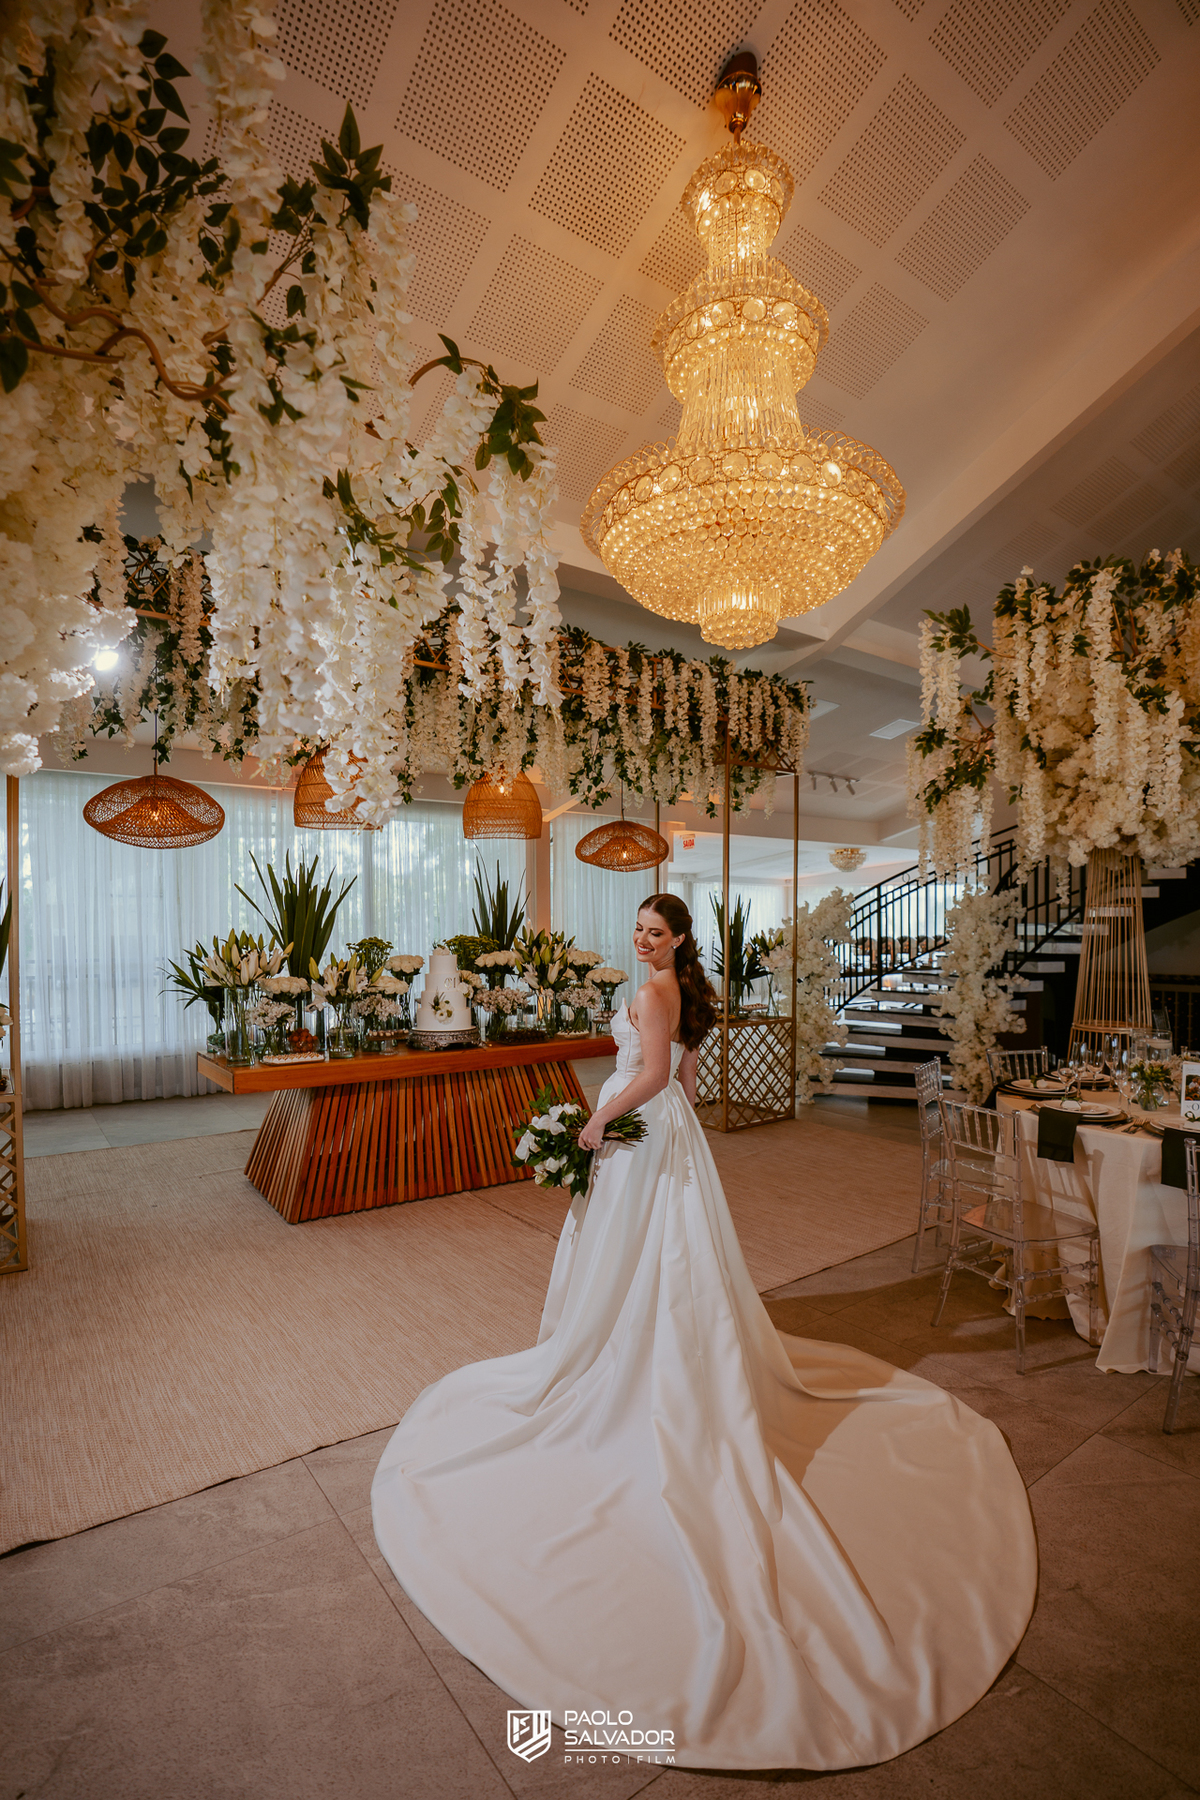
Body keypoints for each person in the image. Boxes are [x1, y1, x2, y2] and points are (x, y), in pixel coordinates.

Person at [372, 893, 1036, 1771]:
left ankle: (628, 1364)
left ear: (678, 936)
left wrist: (601, 1118)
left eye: (654, 930)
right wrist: (661, 1108)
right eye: (639, 927)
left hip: (642, 1126)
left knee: (637, 1255)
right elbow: (683, 1074)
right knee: (667, 1255)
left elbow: (650, 1075)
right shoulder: (680, 985)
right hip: (672, 1137)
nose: (642, 938)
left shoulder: (654, 992)